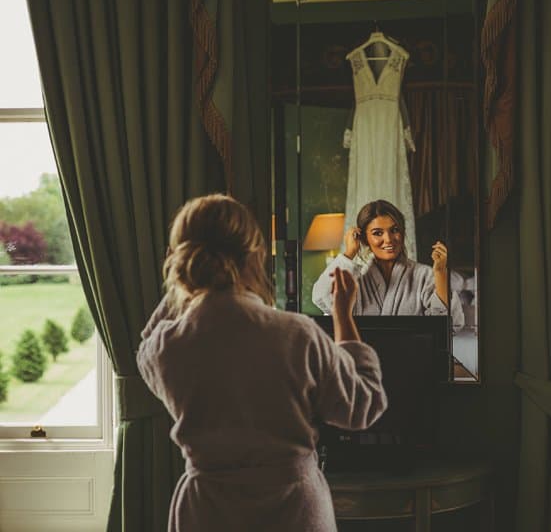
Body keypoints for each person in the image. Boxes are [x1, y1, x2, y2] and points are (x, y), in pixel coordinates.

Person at [137, 194, 387, 532]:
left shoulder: (168, 346)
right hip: (293, 513)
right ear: (254, 258)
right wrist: (343, 315)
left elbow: (147, 342)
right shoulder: (296, 335)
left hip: (206, 513)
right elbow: (362, 406)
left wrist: (182, 284)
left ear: (180, 260)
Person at [312, 199, 464, 332]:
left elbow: (451, 326)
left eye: (395, 230)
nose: (389, 239)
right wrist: (349, 254)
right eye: (378, 233)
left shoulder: (424, 275)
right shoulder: (356, 280)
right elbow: (323, 297)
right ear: (364, 239)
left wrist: (440, 273)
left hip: (413, 360)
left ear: (403, 233)